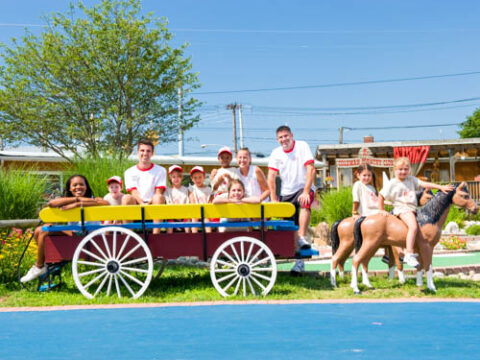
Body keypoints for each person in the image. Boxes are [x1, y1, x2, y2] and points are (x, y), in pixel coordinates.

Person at [20, 174, 109, 283]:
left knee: (44, 231)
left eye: (81, 184)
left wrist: (77, 204)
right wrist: (77, 199)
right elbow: (51, 203)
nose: (78, 187)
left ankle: (39, 267)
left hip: (88, 235)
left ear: (86, 187)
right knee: (39, 230)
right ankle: (46, 264)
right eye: (74, 185)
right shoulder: (68, 200)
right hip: (76, 233)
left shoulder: (94, 199)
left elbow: (104, 203)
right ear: (69, 188)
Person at [379, 157, 453, 267]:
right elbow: (381, 195)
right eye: (400, 169)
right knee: (413, 227)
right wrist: (381, 210)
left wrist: (440, 187)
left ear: (409, 170)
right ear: (394, 170)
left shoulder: (411, 179)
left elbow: (425, 184)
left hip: (413, 209)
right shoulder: (392, 183)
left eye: (405, 169)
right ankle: (409, 253)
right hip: (403, 209)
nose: (403, 171)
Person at [267, 125, 315, 274]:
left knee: (305, 202)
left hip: (302, 187)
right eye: (281, 137)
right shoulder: (276, 153)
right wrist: (274, 198)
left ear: (292, 135)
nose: (284, 139)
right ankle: (299, 262)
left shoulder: (302, 146)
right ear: (277, 139)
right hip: (286, 192)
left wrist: (306, 191)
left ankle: (302, 236)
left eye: (286, 136)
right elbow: (271, 177)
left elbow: (311, 168)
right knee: (289, 227)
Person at [122, 139, 166, 234]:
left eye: (148, 151)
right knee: (126, 198)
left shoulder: (160, 170)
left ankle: (156, 235)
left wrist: (148, 204)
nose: (145, 153)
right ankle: (128, 236)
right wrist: (142, 204)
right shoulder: (129, 172)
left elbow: (159, 192)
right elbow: (133, 192)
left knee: (158, 197)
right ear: (137, 152)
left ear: (152, 153)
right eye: (142, 150)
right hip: (137, 204)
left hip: (153, 204)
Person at [165, 165, 190, 233]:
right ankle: (169, 238)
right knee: (169, 222)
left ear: (182, 177)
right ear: (170, 178)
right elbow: (168, 202)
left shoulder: (185, 189)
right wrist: (175, 214)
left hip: (183, 214)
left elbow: (187, 202)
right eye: (174, 177)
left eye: (178, 176)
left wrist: (182, 214)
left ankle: (189, 237)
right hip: (172, 214)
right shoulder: (167, 190)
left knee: (188, 221)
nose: (176, 179)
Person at [188, 166, 213, 233]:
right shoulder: (192, 189)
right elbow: (192, 200)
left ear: (204, 177)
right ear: (192, 179)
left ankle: (209, 234)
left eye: (200, 177)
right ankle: (194, 235)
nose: (198, 180)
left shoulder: (209, 189)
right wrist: (196, 209)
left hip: (206, 211)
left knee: (206, 219)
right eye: (195, 178)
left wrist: (207, 209)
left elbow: (210, 201)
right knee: (194, 217)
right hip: (195, 209)